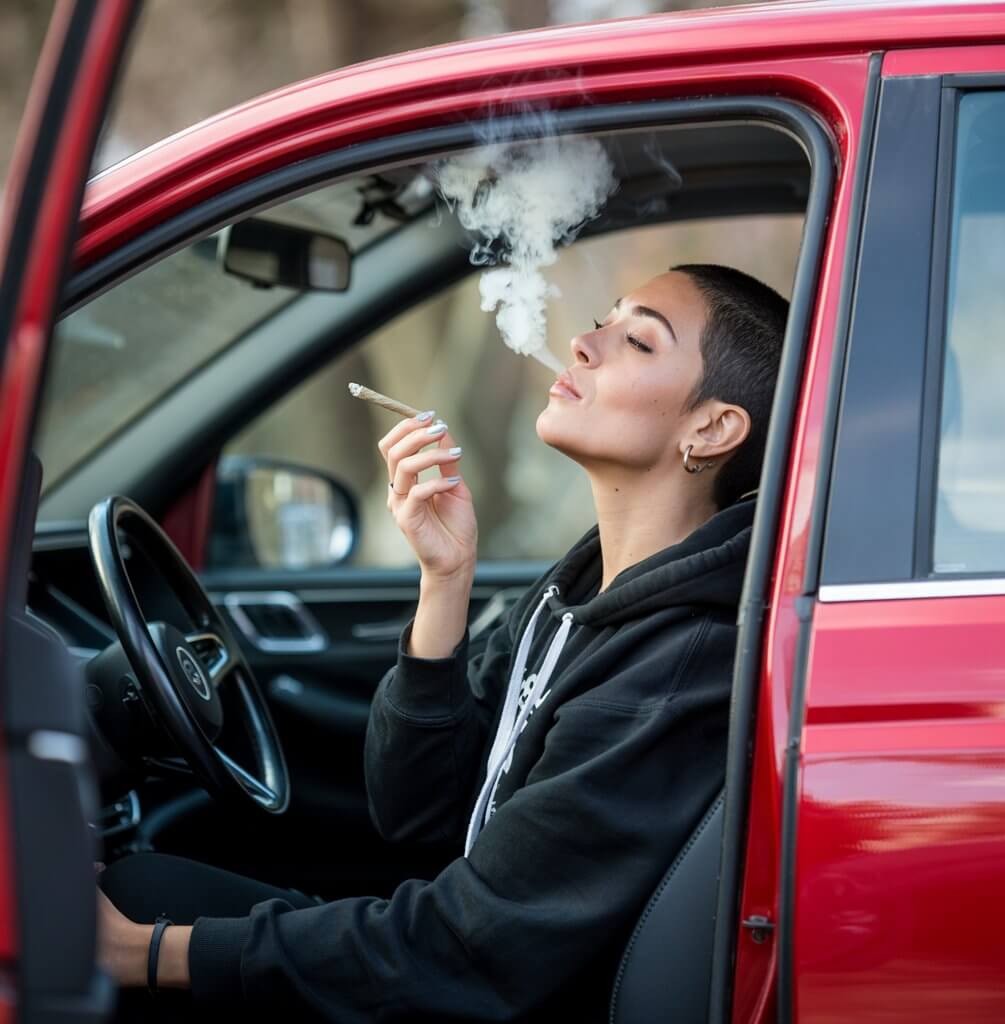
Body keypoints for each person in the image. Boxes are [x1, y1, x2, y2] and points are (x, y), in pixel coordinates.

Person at [97, 264, 788, 1022]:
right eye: (603, 318)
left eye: (638, 341)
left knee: (132, 915)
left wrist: (146, 952)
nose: (584, 344)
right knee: (147, 885)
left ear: (712, 428)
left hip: (479, 993)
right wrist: (445, 578)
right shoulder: (578, 592)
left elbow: (468, 950)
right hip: (454, 971)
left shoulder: (674, 665)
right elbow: (415, 815)